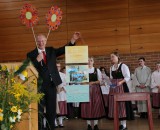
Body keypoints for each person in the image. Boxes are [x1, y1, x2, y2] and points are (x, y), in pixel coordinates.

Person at [15, 32, 81, 130]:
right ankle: (40, 128)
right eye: (39, 41)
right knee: (39, 110)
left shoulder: (51, 50)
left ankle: (51, 127)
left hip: (51, 84)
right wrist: (36, 60)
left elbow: (63, 49)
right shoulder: (31, 54)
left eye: (43, 41)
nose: (41, 43)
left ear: (46, 41)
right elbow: (28, 68)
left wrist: (73, 40)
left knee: (51, 110)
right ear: (36, 42)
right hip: (39, 85)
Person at [108, 52, 134, 130]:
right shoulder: (111, 67)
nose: (111, 58)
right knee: (116, 105)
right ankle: (119, 124)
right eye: (111, 57)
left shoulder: (123, 66)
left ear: (118, 57)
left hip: (122, 87)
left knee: (123, 105)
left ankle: (124, 125)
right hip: (114, 88)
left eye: (113, 56)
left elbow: (127, 77)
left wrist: (120, 82)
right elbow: (111, 78)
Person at [81, 57, 106, 130]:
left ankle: (95, 124)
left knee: (96, 106)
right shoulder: (83, 70)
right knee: (87, 107)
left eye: (91, 60)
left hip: (96, 91)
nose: (89, 62)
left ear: (93, 62)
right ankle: (88, 125)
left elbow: (100, 81)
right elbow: (81, 81)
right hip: (86, 90)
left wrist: (93, 82)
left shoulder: (97, 70)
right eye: (88, 61)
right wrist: (86, 83)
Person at [55, 62, 67, 127]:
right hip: (54, 93)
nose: (57, 68)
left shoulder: (63, 75)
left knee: (61, 109)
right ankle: (55, 123)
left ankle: (60, 122)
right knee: (54, 109)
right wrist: (55, 89)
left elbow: (66, 83)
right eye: (56, 66)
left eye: (59, 66)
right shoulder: (51, 74)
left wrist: (62, 88)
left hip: (62, 93)